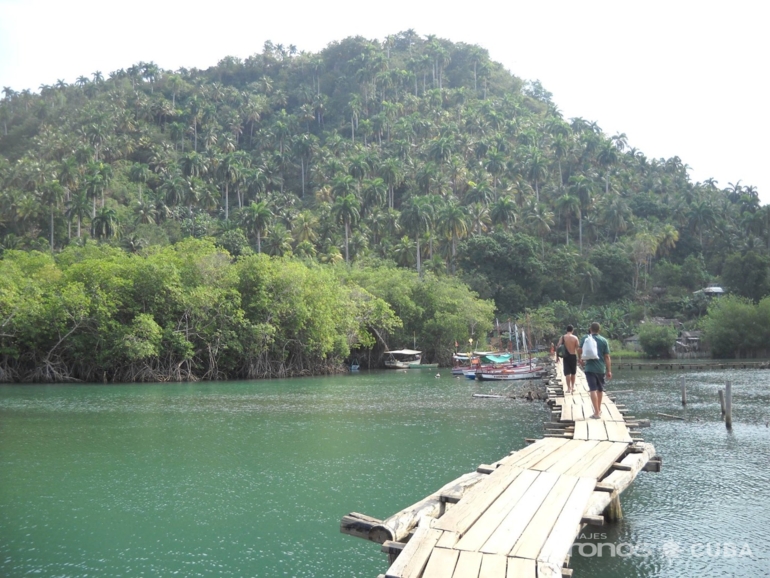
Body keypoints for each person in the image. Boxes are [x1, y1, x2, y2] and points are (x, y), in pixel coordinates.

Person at [578, 322, 612, 419]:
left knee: (592, 389)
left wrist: (579, 358)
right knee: (600, 389)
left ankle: (596, 412)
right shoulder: (604, 340)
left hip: (589, 368)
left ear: (590, 329)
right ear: (599, 330)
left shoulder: (585, 338)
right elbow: (607, 357)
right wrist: (609, 370)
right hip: (601, 369)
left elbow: (579, 350)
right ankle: (599, 409)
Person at [556, 325, 579, 394]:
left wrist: (557, 357)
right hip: (573, 356)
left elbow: (558, 346)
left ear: (566, 330)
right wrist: (580, 358)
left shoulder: (563, 337)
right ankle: (573, 387)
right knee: (573, 372)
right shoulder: (575, 338)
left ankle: (568, 388)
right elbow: (577, 348)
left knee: (567, 373)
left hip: (566, 357)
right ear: (572, 330)